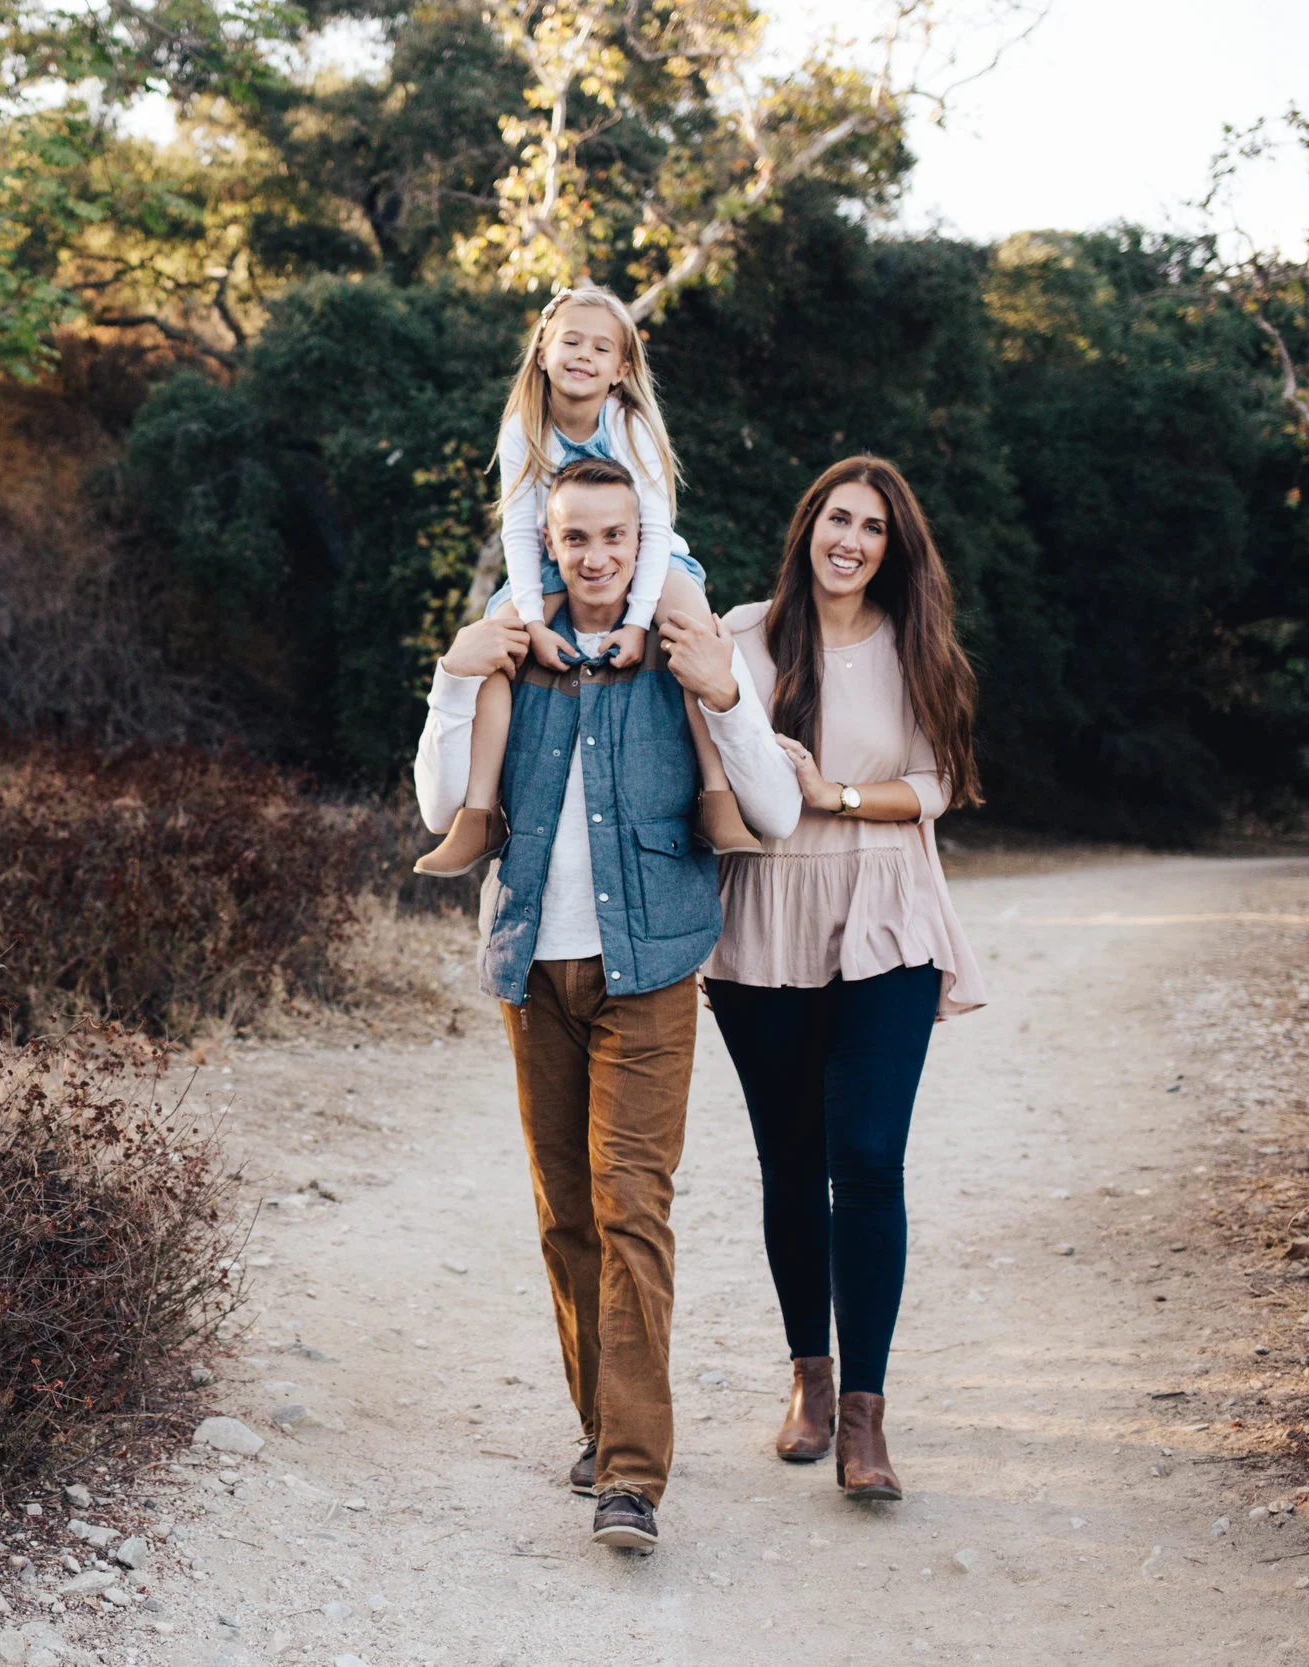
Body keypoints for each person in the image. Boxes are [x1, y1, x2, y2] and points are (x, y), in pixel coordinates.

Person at [414, 456, 801, 1551]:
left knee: (633, 1205)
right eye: (574, 539)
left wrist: (726, 691)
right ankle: (598, 1423)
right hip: (533, 972)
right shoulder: (510, 662)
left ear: (645, 549)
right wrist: (453, 672)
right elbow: (443, 801)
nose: (594, 558)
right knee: (566, 1210)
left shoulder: (680, 654)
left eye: (614, 539)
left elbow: (769, 807)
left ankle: (631, 1474)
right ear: (549, 547)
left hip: (652, 973)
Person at [699, 455, 989, 1504]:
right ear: (806, 525)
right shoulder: (738, 636)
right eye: (837, 517)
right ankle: (807, 1386)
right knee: (790, 1161)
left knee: (866, 1158)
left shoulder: (915, 648)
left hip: (885, 914)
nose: (851, 539)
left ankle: (865, 1416)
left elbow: (936, 781)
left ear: (890, 548)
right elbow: (696, 761)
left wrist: (836, 795)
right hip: (764, 919)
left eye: (872, 527)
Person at [413, 287, 759, 879]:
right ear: (543, 351)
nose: (583, 354)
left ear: (621, 370)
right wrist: (527, 622)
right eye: (570, 341)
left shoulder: (628, 424)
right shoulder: (523, 427)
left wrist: (636, 618)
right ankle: (478, 814)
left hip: (646, 557)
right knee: (495, 646)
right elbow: (520, 534)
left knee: (693, 629)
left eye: (601, 347)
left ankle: (717, 797)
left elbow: (654, 528)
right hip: (555, 559)